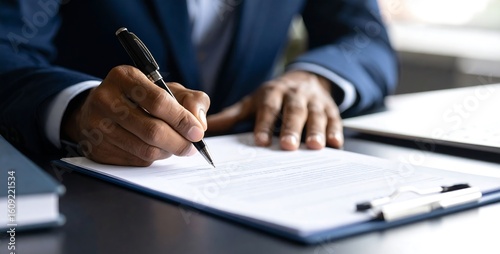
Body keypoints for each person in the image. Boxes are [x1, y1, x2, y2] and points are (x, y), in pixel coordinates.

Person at [0, 0, 398, 166]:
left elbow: (365, 38)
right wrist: (78, 107)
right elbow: (7, 47)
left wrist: (315, 78)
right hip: (84, 196)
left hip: (257, 166)